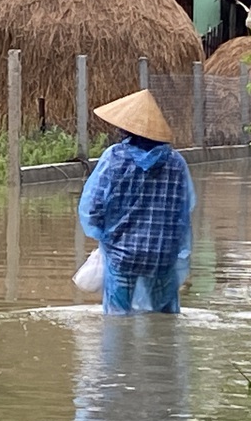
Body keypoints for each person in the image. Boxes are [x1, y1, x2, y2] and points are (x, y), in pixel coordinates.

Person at [78, 89, 197, 315]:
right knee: (166, 320)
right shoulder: (176, 163)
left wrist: (106, 236)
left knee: (117, 321)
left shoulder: (114, 158)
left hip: (122, 254)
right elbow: (184, 212)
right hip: (163, 255)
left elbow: (93, 207)